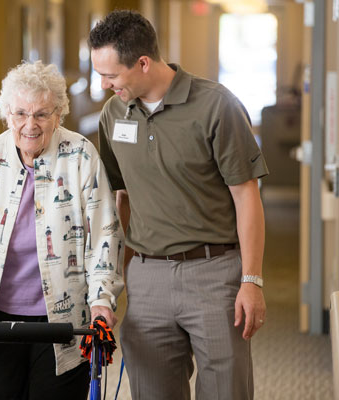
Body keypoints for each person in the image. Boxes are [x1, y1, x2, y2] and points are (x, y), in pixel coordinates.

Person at [89, 10, 268, 400]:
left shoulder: (217, 106)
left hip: (215, 272)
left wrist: (251, 281)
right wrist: (119, 276)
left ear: (143, 62)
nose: (104, 85)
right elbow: (120, 197)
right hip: (147, 276)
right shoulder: (113, 114)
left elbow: (246, 196)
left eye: (112, 75)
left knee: (226, 392)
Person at [0, 60, 124, 400]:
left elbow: (104, 234)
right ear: (6, 114)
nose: (30, 125)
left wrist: (102, 299)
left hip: (63, 318)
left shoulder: (80, 157)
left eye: (42, 114)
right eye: (20, 114)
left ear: (59, 113)